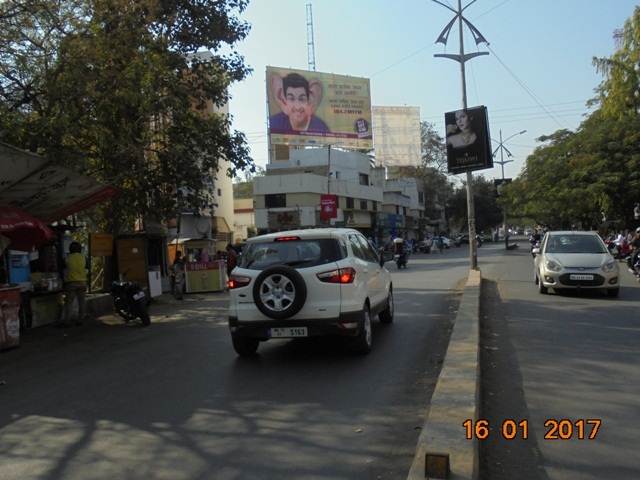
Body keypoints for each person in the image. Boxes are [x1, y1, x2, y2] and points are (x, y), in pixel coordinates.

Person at [60, 241, 87, 327]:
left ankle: (67, 321)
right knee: (81, 302)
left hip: (71, 283)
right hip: (83, 282)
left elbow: (63, 267)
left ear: (70, 249)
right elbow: (86, 267)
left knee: (69, 303)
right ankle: (80, 320)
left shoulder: (67, 258)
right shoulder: (83, 257)